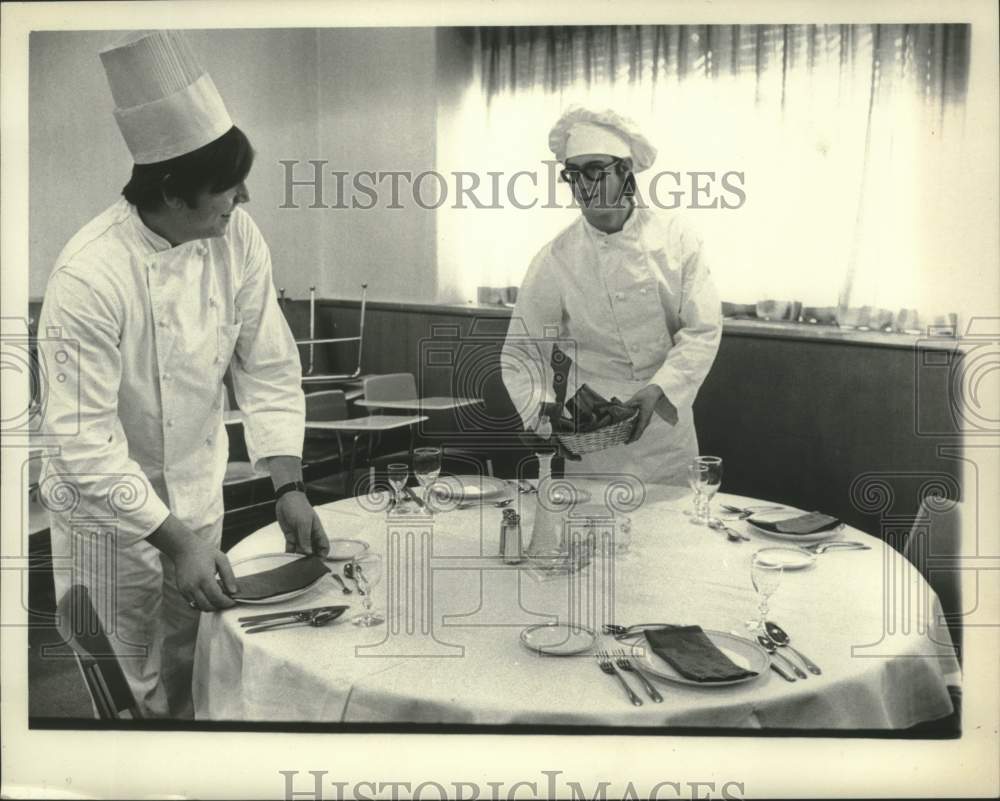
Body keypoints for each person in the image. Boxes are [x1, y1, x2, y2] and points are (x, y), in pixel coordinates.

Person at [36, 30, 328, 719]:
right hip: (111, 519)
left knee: (195, 669)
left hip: (198, 496)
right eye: (226, 189)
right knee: (134, 693)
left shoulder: (237, 237)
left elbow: (269, 364)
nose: (242, 200)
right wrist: (172, 538)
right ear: (170, 191)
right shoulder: (89, 275)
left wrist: (287, 483)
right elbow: (82, 443)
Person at [501, 107, 722, 485]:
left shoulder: (677, 239)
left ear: (627, 174)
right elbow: (522, 351)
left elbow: (702, 329)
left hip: (665, 427)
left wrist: (658, 389)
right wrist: (541, 414)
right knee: (593, 537)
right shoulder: (556, 257)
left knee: (672, 536)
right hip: (593, 435)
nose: (584, 185)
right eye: (573, 174)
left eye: (596, 170)